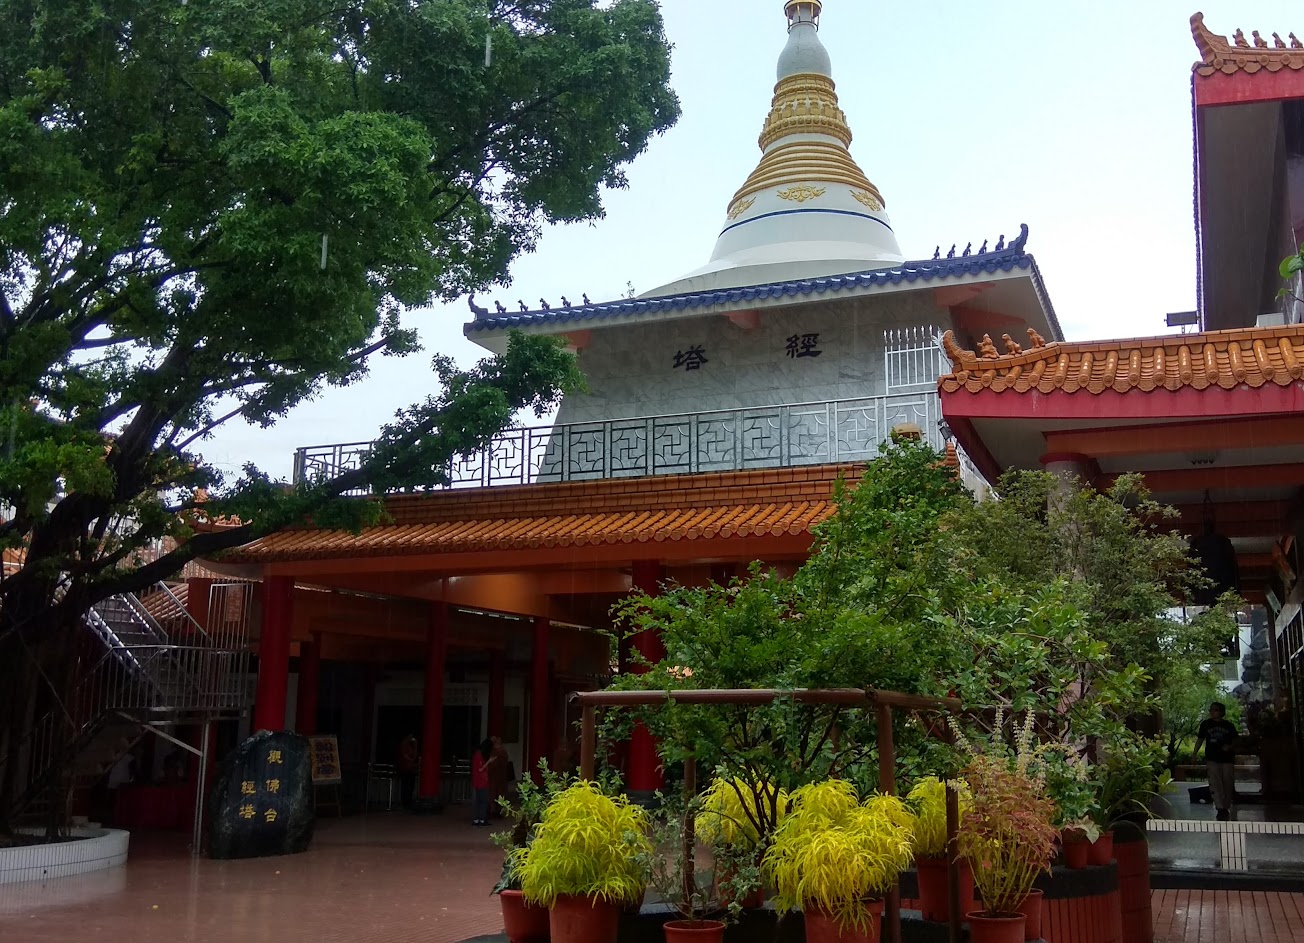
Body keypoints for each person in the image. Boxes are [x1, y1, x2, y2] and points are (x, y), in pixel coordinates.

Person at [1194, 701, 1239, 821]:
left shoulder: (1228, 725)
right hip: (1212, 757)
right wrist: (1194, 753)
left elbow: (1236, 740)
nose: (1212, 712)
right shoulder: (1206, 724)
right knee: (1214, 782)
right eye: (1211, 710)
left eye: (1215, 710)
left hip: (1227, 758)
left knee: (1227, 783)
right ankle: (1220, 807)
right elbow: (1200, 739)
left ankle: (1226, 805)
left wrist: (1229, 746)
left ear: (1221, 711)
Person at [471, 737, 497, 826]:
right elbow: (480, 769)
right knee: (483, 801)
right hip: (481, 782)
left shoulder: (477, 754)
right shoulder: (479, 756)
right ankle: (481, 820)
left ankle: (477, 819)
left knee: (478, 801)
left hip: (478, 781)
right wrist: (489, 761)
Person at [487, 736, 513, 818]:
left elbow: (492, 765)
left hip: (494, 777)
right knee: (500, 793)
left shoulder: (496, 752)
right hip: (502, 777)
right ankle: (498, 811)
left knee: (493, 793)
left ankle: (493, 811)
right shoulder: (503, 751)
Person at [397, 734, 419, 809]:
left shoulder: (411, 745)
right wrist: (412, 760)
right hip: (405, 769)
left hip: (411, 769)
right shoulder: (404, 744)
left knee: (410, 786)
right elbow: (405, 756)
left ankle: (408, 802)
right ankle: (406, 803)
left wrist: (415, 746)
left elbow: (414, 756)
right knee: (406, 786)